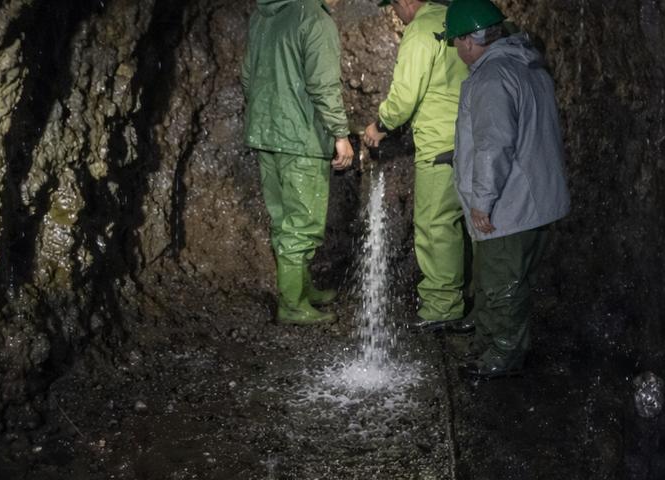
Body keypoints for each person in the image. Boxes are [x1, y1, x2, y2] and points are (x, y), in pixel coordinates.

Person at [445, 0, 570, 378]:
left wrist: (481, 201)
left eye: (455, 41)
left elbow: (494, 144)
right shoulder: (525, 65)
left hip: (510, 205)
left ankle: (503, 355)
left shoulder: (491, 76)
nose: (456, 50)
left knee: (504, 285)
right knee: (503, 279)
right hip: (533, 197)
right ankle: (489, 339)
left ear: (469, 40)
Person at [242, 0, 354, 325]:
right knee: (302, 224)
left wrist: (269, 115)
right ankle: (292, 306)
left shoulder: (263, 14)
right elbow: (323, 83)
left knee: (283, 220)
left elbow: (247, 77)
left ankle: (301, 290)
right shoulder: (315, 19)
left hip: (266, 134)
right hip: (301, 139)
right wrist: (340, 134)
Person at [362, 0, 469, 332]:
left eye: (394, 4)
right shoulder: (459, 17)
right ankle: (472, 301)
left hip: (440, 142)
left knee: (436, 226)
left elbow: (404, 97)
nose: (395, 12)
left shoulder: (421, 29)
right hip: (476, 139)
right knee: (471, 229)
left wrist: (379, 126)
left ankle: (442, 307)